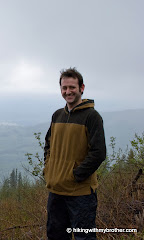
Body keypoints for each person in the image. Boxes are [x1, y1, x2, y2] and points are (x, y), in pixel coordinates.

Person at [43, 68, 106, 240]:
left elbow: (99, 152)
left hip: (81, 194)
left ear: (81, 88)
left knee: (83, 237)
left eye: (72, 87)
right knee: (55, 236)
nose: (68, 91)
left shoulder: (92, 117)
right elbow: (48, 145)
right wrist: (48, 171)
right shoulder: (57, 115)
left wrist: (76, 175)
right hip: (56, 191)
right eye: (64, 88)